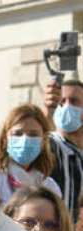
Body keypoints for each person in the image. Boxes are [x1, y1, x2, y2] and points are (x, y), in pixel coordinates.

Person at [0, 103, 61, 205]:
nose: (25, 140)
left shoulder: (50, 186)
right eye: (18, 134)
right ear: (5, 139)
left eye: (33, 134)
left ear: (43, 141)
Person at [43, 78, 83, 222]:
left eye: (73, 101)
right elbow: (41, 142)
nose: (66, 106)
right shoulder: (53, 145)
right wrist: (48, 111)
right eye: (61, 101)